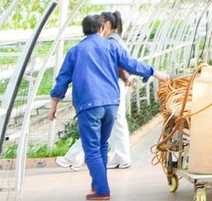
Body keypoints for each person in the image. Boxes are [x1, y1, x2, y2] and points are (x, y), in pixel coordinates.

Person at [49, 14, 170, 200]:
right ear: (101, 29)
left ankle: (102, 190)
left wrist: (54, 107)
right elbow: (131, 64)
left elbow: (62, 81)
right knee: (102, 145)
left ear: (84, 30)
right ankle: (96, 186)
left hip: (89, 105)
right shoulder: (112, 46)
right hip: (111, 104)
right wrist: (155, 73)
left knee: (91, 149)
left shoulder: (75, 51)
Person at [55, 12, 134, 172]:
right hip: (114, 87)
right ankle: (120, 156)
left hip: (111, 88)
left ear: (106, 25)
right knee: (113, 124)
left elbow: (119, 65)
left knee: (100, 124)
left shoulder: (110, 42)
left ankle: (73, 156)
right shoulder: (114, 40)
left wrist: (126, 78)